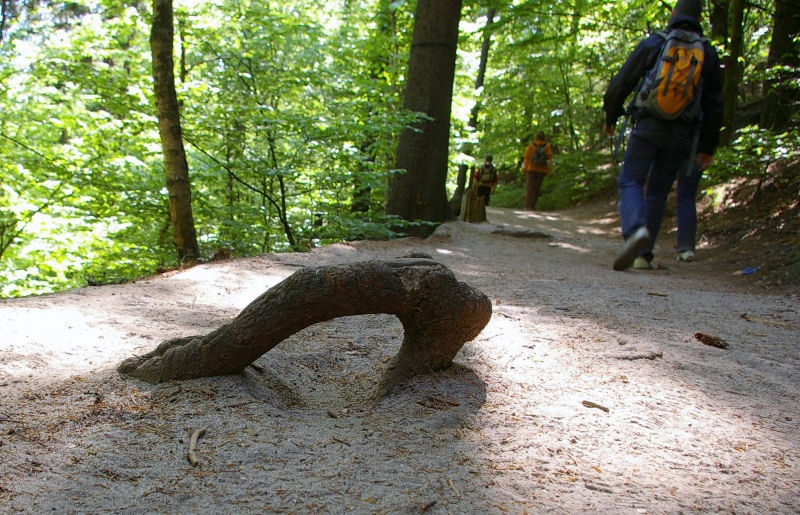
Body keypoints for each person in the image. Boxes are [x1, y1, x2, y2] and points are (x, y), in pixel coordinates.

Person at [603, 0, 723, 271]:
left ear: (674, 14)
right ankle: (643, 256)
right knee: (658, 190)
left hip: (648, 124)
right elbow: (715, 103)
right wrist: (708, 145)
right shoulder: (707, 52)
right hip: (683, 132)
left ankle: (634, 230)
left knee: (631, 179)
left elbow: (622, 81)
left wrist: (611, 115)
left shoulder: (656, 43)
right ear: (699, 17)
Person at [521, 132, 554, 210]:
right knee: (537, 188)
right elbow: (550, 159)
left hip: (531, 169)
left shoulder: (531, 146)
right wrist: (552, 169)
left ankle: (527, 206)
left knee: (529, 187)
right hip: (542, 170)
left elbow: (526, 158)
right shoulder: (547, 146)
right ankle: (533, 205)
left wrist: (524, 169)